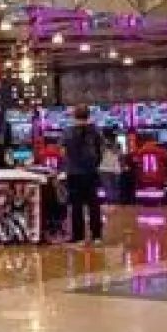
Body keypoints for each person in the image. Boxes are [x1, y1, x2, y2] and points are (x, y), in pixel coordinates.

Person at [63, 105, 103, 245]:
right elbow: (100, 152)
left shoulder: (68, 131)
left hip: (74, 173)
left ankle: (78, 237)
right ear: (88, 115)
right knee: (94, 205)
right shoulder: (95, 130)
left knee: (76, 206)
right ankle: (96, 236)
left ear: (74, 115)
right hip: (91, 172)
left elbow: (63, 152)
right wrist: (94, 164)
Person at [98, 129, 122, 204]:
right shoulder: (116, 144)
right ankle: (113, 203)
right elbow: (120, 156)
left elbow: (118, 154)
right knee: (112, 188)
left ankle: (112, 202)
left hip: (108, 169)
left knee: (111, 188)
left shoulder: (115, 144)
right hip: (111, 169)